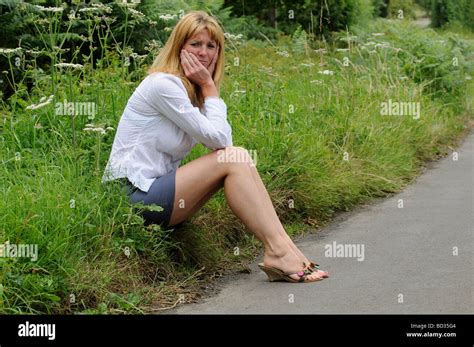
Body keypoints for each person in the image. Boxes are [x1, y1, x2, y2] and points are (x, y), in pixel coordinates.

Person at [102, 11, 329, 283]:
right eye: (195, 45)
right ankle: (279, 252)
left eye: (211, 46)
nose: (203, 53)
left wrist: (206, 91)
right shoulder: (163, 84)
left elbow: (224, 143)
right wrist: (210, 87)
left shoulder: (191, 91)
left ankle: (286, 249)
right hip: (131, 198)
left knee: (237, 157)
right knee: (233, 158)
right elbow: (220, 143)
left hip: (157, 194)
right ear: (179, 48)